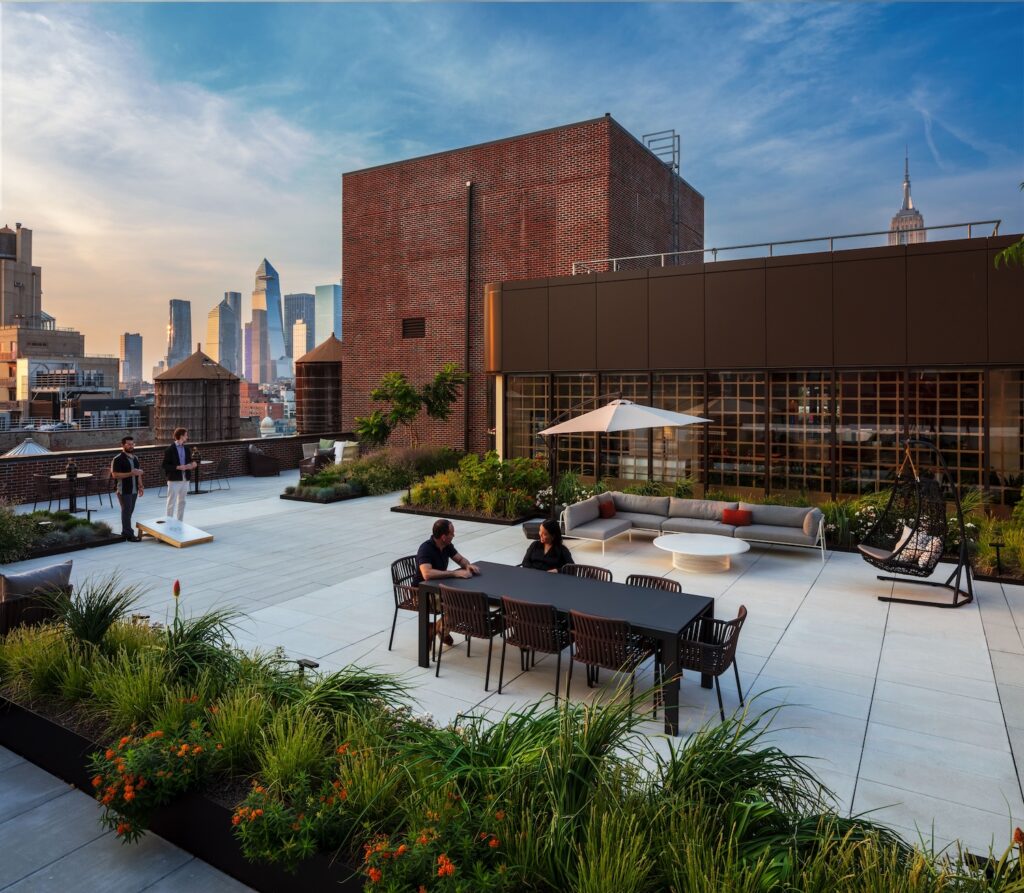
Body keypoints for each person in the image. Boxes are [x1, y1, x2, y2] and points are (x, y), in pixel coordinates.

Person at [415, 519, 481, 647]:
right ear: (444, 537)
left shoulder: (446, 546)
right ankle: (439, 629)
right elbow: (426, 574)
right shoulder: (426, 548)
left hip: (439, 589)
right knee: (461, 605)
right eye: (452, 533)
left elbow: (460, 559)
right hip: (422, 594)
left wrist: (468, 566)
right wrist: (454, 573)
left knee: (467, 601)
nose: (454, 535)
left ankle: (438, 628)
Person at [110, 435, 144, 541]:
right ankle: (128, 534)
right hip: (123, 490)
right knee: (126, 511)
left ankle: (126, 532)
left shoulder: (135, 458)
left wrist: (141, 486)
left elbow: (137, 474)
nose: (131, 446)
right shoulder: (118, 459)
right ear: (123, 445)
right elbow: (115, 475)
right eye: (128, 444)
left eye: (132, 444)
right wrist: (130, 473)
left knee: (129, 511)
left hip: (134, 489)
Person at [162, 427, 197, 521]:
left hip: (185, 478)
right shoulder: (169, 449)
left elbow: (189, 460)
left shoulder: (186, 448)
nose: (187, 437)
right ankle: (168, 523)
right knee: (171, 502)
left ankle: (180, 522)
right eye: (186, 435)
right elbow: (164, 465)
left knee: (182, 501)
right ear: (181, 436)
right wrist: (177, 467)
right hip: (174, 479)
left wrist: (192, 464)